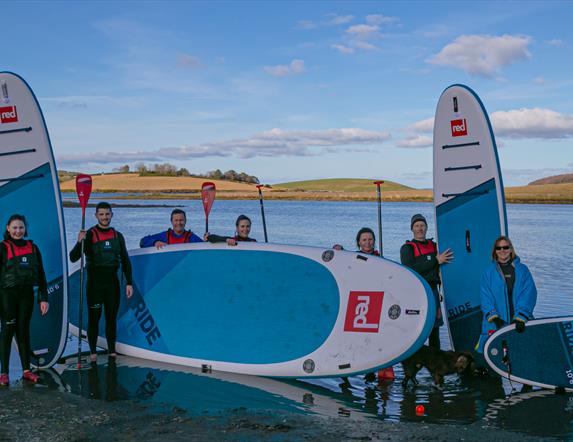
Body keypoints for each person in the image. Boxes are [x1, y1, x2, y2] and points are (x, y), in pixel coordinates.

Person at [69, 202, 133, 362]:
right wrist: (79, 242)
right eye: (101, 214)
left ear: (112, 215)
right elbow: (73, 257)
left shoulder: (118, 236)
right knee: (94, 319)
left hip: (112, 284)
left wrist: (129, 282)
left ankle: (112, 351)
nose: (105, 217)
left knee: (111, 319)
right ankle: (92, 352)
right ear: (96, 216)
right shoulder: (89, 234)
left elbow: (125, 260)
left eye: (107, 214)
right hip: (95, 285)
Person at [0, 214, 49, 385]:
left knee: (23, 331)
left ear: (25, 229)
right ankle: (4, 373)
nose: (18, 231)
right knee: (7, 332)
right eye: (14, 227)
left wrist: (44, 298)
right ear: (8, 228)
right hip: (7, 296)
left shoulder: (33, 248)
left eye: (21, 227)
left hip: (26, 295)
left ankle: (26, 370)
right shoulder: (2, 248)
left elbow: (41, 274)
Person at [400, 214, 453, 350]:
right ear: (412, 229)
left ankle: (435, 365)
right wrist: (435, 260)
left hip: (433, 291)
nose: (420, 229)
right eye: (416, 226)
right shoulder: (407, 248)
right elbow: (410, 268)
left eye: (422, 225)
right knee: (417, 329)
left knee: (434, 330)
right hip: (416, 293)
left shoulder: (435, 246)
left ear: (427, 227)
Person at [476, 236, 537, 353]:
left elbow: (529, 294)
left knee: (522, 353)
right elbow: (485, 297)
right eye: (499, 248)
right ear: (495, 251)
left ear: (510, 249)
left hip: (519, 323)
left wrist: (521, 317)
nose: (502, 250)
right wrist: (494, 318)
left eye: (505, 247)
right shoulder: (488, 273)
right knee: (495, 355)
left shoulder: (522, 270)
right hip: (495, 323)